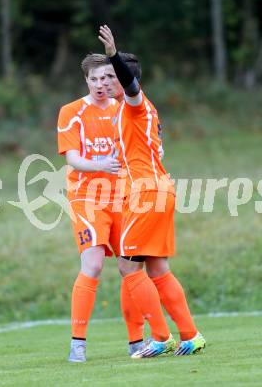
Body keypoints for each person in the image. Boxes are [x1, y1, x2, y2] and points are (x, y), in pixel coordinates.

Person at [99, 25, 206, 358]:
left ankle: (160, 337)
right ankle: (191, 335)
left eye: (111, 76)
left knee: (128, 268)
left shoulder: (135, 102)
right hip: (154, 190)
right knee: (158, 270)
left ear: (125, 78)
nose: (106, 82)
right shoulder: (125, 111)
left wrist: (114, 54)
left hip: (146, 194)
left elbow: (130, 85)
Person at [57, 53, 145, 362]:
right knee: (92, 265)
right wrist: (98, 164)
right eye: (93, 79)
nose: (100, 85)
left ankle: (137, 342)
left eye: (105, 78)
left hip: (123, 197)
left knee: (131, 266)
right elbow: (71, 158)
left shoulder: (125, 110)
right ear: (86, 81)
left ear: (114, 79)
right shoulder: (71, 112)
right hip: (87, 197)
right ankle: (77, 343)